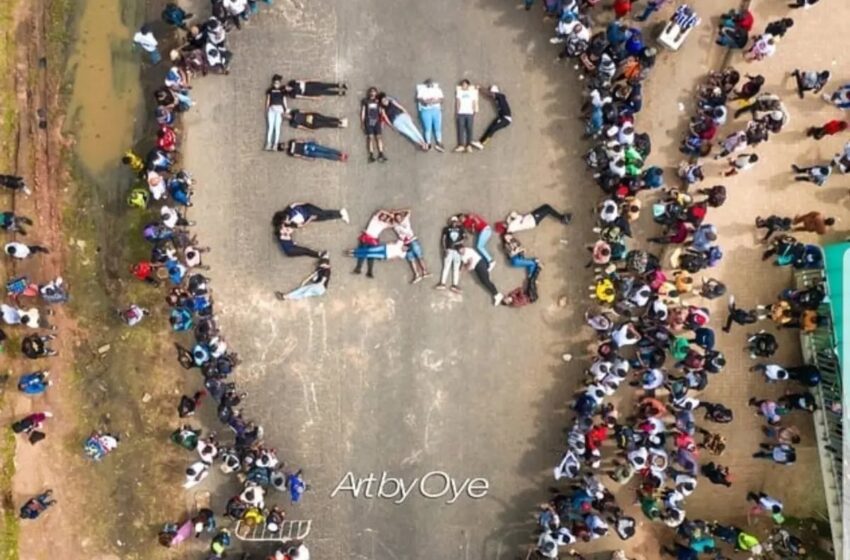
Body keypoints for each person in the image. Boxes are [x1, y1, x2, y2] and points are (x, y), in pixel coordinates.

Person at [435, 216, 466, 293]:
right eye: (453, 221)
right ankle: (442, 283)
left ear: (457, 221)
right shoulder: (446, 229)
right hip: (449, 249)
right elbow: (443, 239)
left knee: (456, 268)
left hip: (457, 250)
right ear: (451, 222)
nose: (454, 222)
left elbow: (464, 238)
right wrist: (445, 249)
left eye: (455, 221)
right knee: (446, 267)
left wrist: (460, 242)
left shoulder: (461, 229)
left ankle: (455, 285)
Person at [416, 79, 445, 151]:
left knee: (437, 127)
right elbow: (419, 99)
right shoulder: (422, 90)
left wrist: (434, 101)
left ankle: (439, 142)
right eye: (428, 83)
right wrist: (426, 102)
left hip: (436, 110)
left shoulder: (437, 90)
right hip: (426, 110)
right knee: (427, 127)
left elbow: (441, 99)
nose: (429, 84)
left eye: (430, 83)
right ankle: (428, 142)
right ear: (426, 84)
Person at [361, 87, 386, 163]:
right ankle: (371, 155)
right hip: (368, 121)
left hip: (377, 121)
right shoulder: (365, 101)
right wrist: (362, 123)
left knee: (379, 137)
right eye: (371, 92)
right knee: (370, 138)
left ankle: (381, 154)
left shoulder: (378, 101)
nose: (372, 93)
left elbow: (381, 112)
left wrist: (382, 121)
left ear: (376, 93)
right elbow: (363, 112)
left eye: (374, 92)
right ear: (369, 93)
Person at [454, 80, 481, 152]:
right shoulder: (459, 92)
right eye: (462, 85)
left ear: (468, 85)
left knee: (469, 129)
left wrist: (474, 111)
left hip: (469, 113)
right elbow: (458, 102)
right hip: (461, 113)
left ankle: (469, 145)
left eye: (465, 85)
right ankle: (461, 145)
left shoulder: (472, 92)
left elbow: (474, 102)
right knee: (460, 129)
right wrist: (457, 112)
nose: (463, 86)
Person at [265, 74, 287, 150]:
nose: (276, 84)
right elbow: (268, 100)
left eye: (277, 83)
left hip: (279, 109)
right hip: (272, 109)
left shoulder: (282, 90)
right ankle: (268, 143)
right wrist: (267, 109)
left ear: (280, 83)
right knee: (270, 127)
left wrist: (285, 110)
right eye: (275, 83)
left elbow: (284, 100)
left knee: (277, 128)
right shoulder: (270, 90)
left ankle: (275, 144)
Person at [277, 140, 348, 162]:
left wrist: (309, 142)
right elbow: (299, 156)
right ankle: (339, 158)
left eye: (283, 145)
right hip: (308, 153)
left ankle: (340, 153)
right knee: (324, 155)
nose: (285, 146)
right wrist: (308, 159)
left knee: (325, 149)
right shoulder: (290, 153)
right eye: (283, 147)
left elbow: (301, 140)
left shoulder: (291, 142)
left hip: (308, 146)